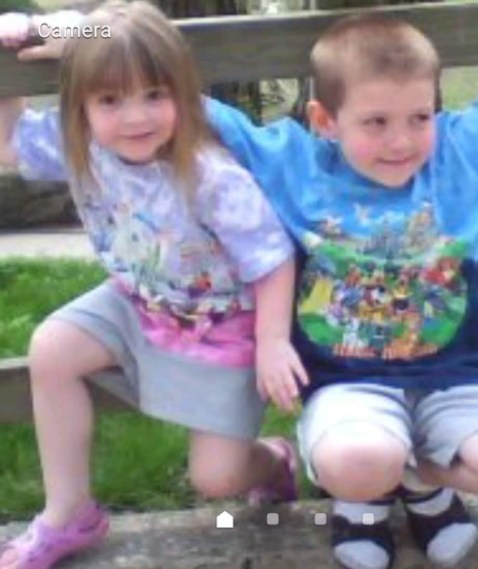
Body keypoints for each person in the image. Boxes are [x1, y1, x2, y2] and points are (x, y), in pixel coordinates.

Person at [204, 13, 478, 569]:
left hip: (456, 381)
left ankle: (417, 479)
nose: (401, 140)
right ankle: (364, 494)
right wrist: (77, 34)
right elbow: (182, 103)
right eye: (375, 122)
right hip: (348, 386)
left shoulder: (461, 156)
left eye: (420, 116)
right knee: (359, 460)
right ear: (324, 120)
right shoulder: (296, 164)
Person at [0, 3, 308, 569]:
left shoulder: (211, 174)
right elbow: (7, 140)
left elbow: (270, 257)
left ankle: (274, 460)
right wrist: (42, 31)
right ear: (81, 106)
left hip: (220, 329)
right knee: (51, 348)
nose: (135, 117)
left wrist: (271, 341)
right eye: (110, 100)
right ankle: (69, 513)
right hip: (137, 301)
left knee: (216, 480)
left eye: (154, 94)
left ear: (182, 93)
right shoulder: (81, 145)